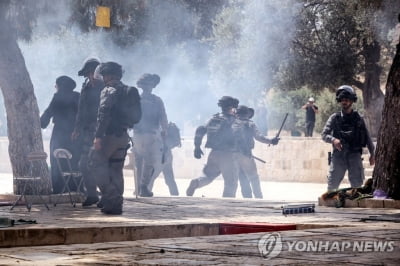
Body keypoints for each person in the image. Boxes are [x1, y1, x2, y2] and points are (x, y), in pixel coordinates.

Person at [89, 62, 141, 214]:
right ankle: (116, 205)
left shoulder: (108, 90)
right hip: (123, 136)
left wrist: (98, 137)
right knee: (116, 169)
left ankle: (111, 198)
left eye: (104, 75)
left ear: (109, 75)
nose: (103, 78)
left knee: (94, 163)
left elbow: (103, 115)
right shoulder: (127, 91)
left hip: (108, 137)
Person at [321, 85, 375, 191]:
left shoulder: (359, 119)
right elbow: (324, 135)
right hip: (339, 156)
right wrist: (333, 140)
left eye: (346, 100)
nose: (344, 102)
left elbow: (367, 137)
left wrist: (372, 153)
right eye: (342, 100)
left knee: (357, 188)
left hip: (354, 155)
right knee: (332, 187)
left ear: (351, 101)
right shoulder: (334, 118)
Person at [186, 96, 240, 198]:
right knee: (231, 181)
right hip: (228, 154)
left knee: (208, 176)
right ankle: (226, 204)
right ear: (231, 106)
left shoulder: (213, 118)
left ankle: (196, 183)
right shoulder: (233, 120)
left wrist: (197, 147)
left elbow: (201, 129)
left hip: (214, 153)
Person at [71, 58, 104, 207]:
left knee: (101, 164)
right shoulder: (85, 88)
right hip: (87, 132)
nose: (90, 77)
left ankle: (107, 196)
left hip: (102, 132)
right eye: (88, 74)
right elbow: (81, 109)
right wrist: (77, 128)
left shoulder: (106, 88)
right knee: (84, 164)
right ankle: (92, 194)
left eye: (91, 73)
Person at [40, 76, 80, 193]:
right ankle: (75, 187)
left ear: (59, 85)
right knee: (74, 160)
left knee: (57, 159)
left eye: (56, 84)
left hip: (60, 133)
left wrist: (40, 123)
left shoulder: (58, 97)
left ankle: (59, 188)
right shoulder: (78, 96)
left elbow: (49, 112)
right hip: (75, 133)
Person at [133, 73, 168, 197]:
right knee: (150, 162)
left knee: (138, 162)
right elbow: (163, 118)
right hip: (150, 135)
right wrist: (165, 132)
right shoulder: (156, 100)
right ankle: (143, 186)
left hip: (137, 135)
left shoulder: (135, 98)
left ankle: (138, 187)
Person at [233, 105, 279, 198]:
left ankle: (247, 198)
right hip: (246, 155)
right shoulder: (250, 124)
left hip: (233, 156)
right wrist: (271, 141)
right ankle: (259, 197)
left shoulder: (231, 123)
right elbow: (259, 137)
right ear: (246, 113)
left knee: (242, 178)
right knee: (254, 178)